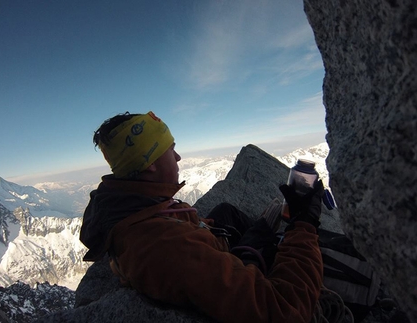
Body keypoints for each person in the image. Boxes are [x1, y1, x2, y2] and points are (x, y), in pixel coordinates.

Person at [80, 111, 324, 323]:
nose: (178, 158)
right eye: (170, 149)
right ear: (150, 162)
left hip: (206, 250)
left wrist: (206, 230)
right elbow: (283, 309)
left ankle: (269, 235)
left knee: (226, 211)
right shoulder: (165, 247)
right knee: (280, 237)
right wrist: (304, 223)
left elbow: (179, 230)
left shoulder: (135, 203)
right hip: (234, 266)